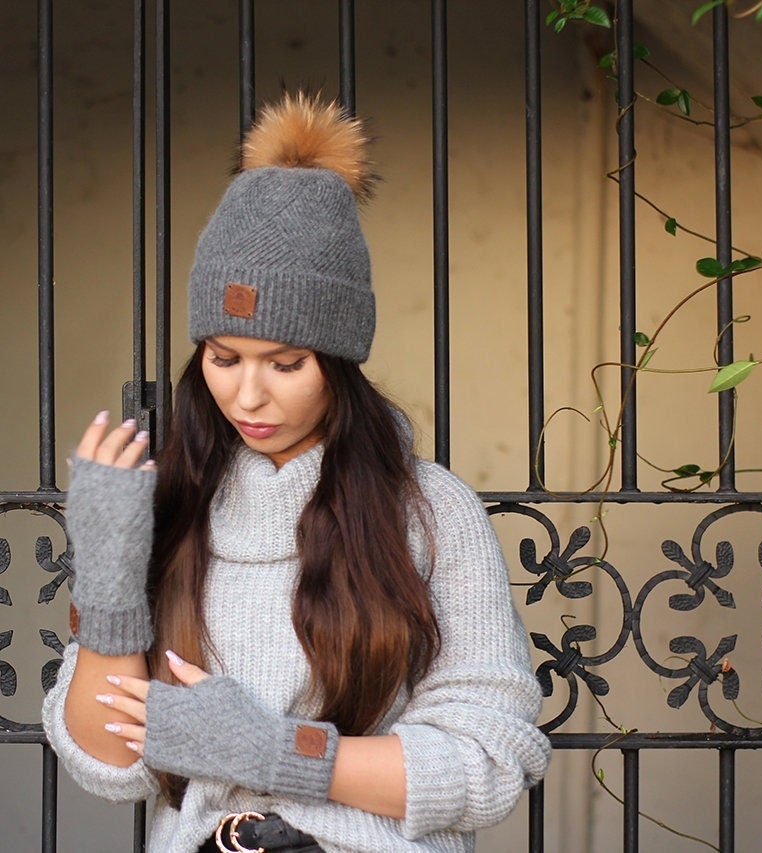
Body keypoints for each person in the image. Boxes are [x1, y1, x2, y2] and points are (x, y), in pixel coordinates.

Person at [42, 91, 551, 853]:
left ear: (338, 363)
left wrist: (279, 751)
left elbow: (489, 762)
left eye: (285, 363)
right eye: (223, 358)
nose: (248, 394)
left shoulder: (428, 511)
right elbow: (110, 763)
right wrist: (111, 574)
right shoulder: (176, 505)